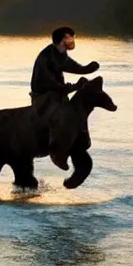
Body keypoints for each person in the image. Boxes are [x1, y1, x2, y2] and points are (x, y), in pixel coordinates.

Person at [30, 26, 100, 170]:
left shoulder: (60, 54)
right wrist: (73, 87)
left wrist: (88, 69)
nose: (73, 40)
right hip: (44, 97)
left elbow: (73, 67)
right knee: (58, 117)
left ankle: (79, 142)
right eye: (70, 37)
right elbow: (49, 82)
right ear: (62, 39)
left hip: (58, 95)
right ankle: (57, 153)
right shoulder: (46, 56)